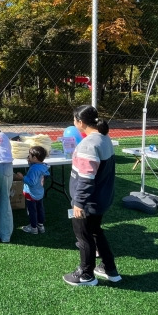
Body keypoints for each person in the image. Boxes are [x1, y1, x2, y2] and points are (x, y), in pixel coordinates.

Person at [63, 105, 121, 287]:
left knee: (84, 236)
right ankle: (109, 268)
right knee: (96, 232)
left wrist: (79, 202)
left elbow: (86, 179)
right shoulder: (104, 138)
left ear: (80, 122)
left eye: (74, 119)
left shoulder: (89, 145)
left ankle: (86, 274)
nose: (73, 122)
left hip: (88, 202)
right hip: (100, 199)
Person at [15, 145, 49, 234]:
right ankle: (40, 226)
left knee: (32, 210)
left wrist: (22, 177)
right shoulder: (43, 166)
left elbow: (31, 182)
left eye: (29, 156)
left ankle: (33, 227)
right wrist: (30, 163)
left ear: (34, 158)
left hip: (31, 193)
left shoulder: (34, 169)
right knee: (40, 209)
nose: (28, 157)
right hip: (39, 192)